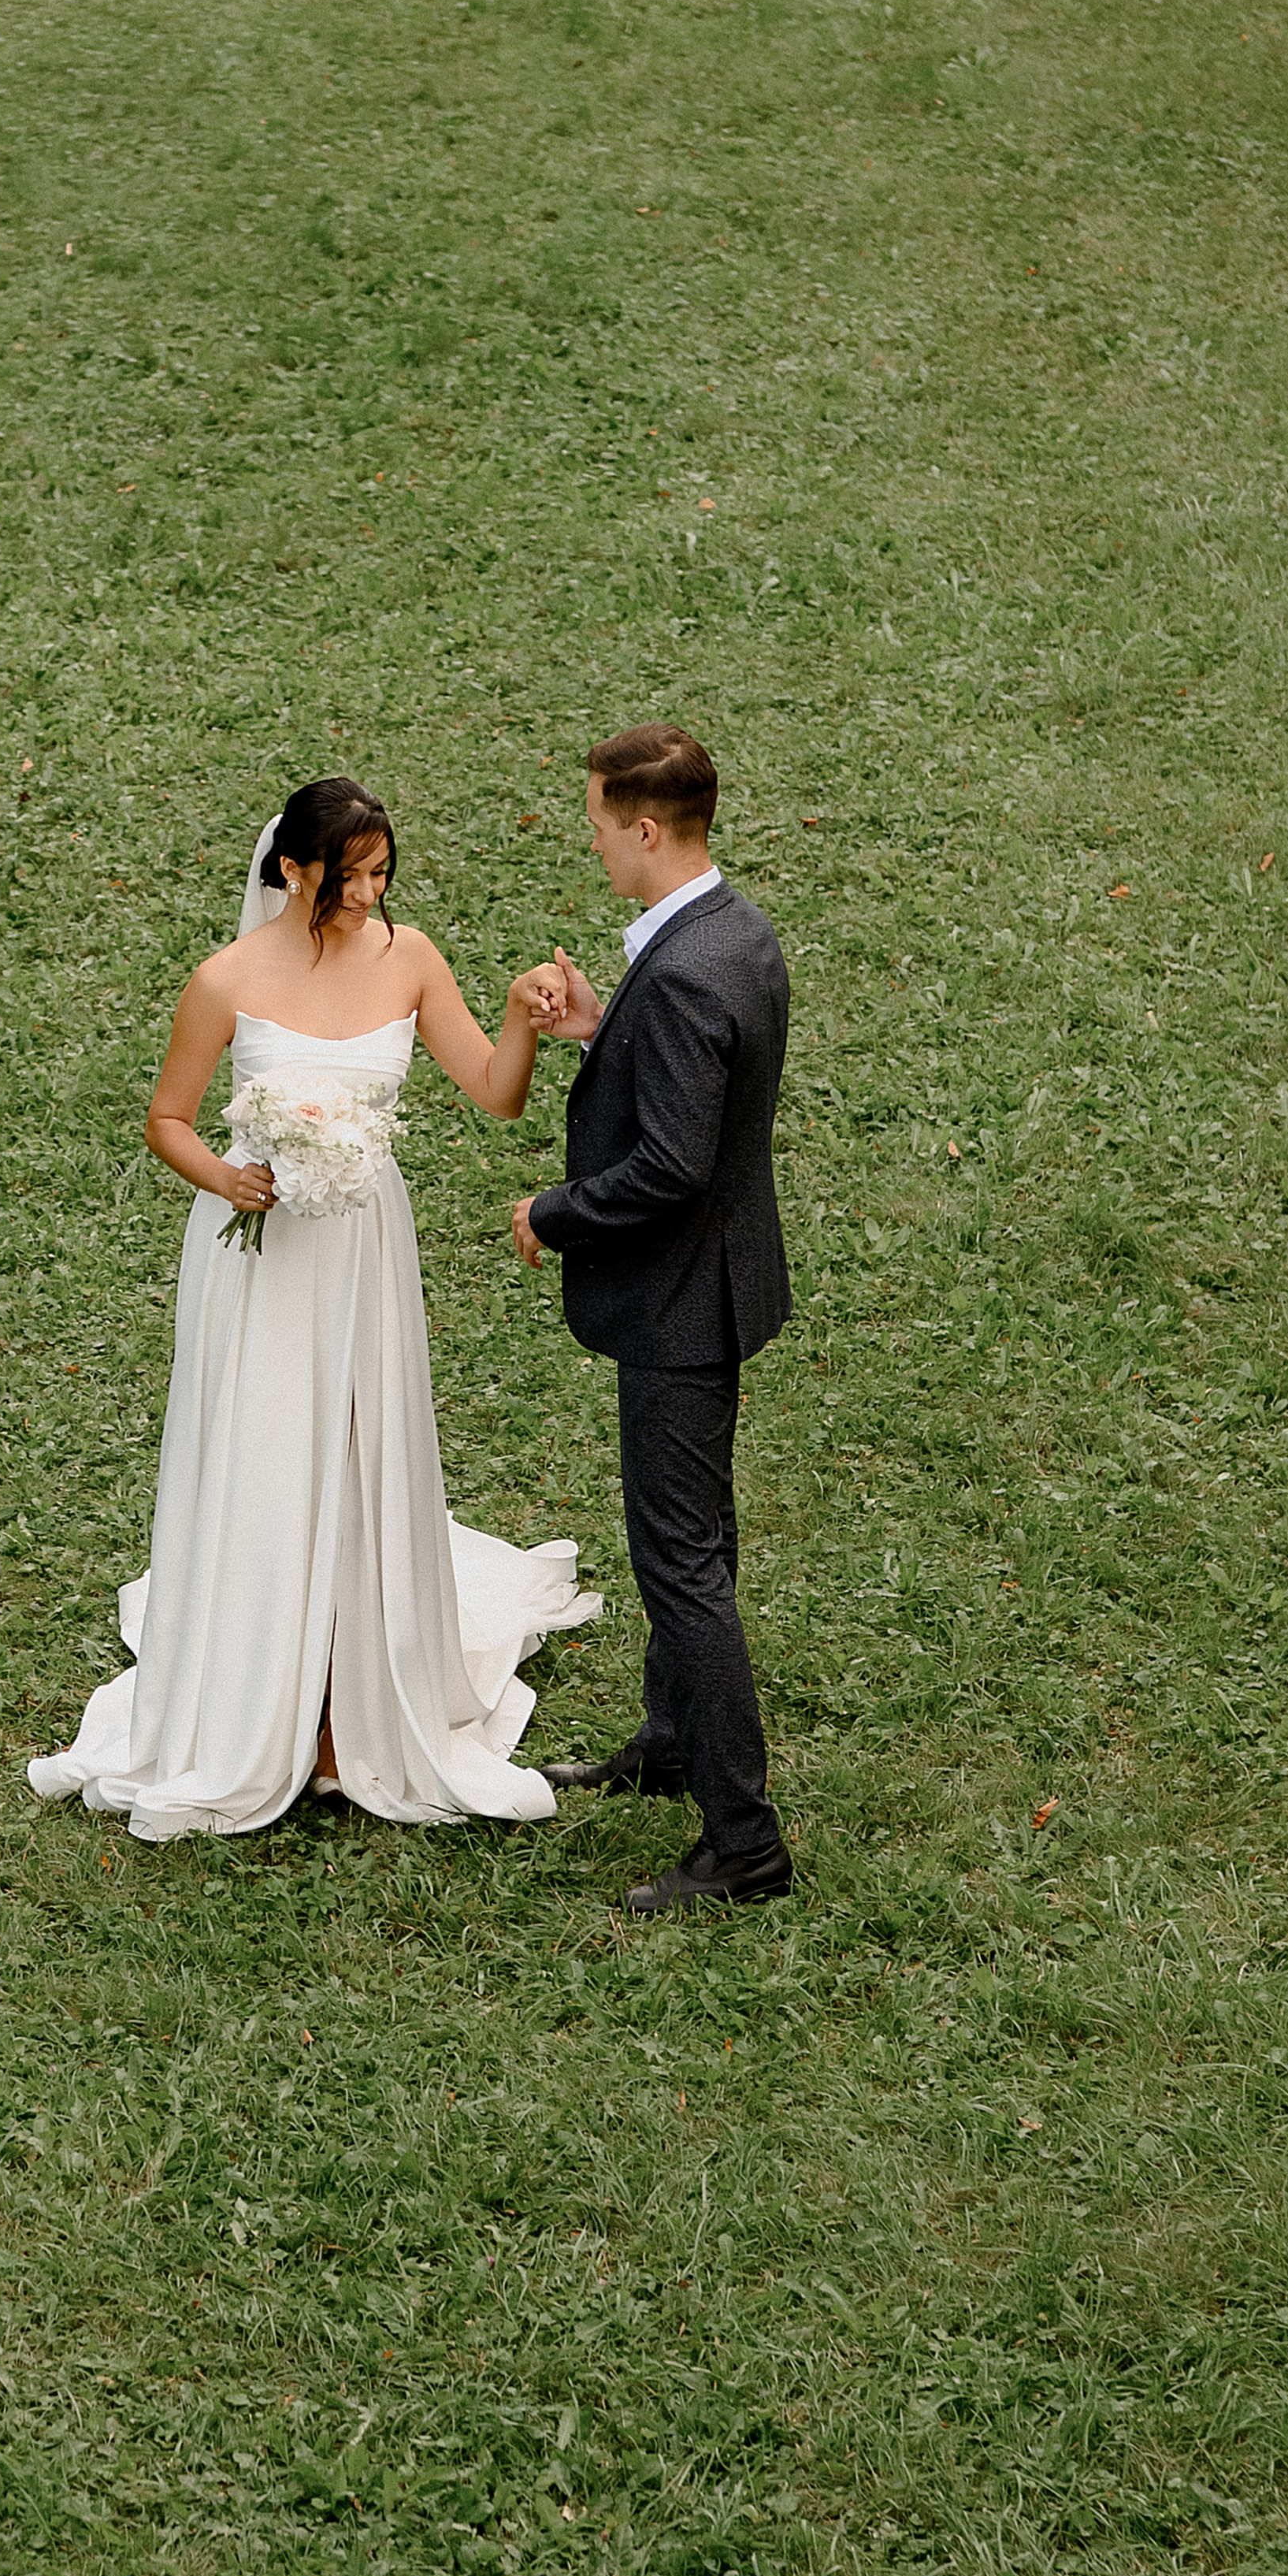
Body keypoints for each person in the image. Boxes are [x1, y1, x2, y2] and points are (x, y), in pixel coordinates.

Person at [28, 777, 599, 1842]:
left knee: (355, 1444)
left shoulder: (411, 958)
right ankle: (259, 1690)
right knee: (266, 1449)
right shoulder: (227, 978)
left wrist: (524, 1021)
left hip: (363, 1246)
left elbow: (495, 1090)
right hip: (257, 1255)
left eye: (382, 874)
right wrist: (228, 1178)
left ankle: (353, 1700)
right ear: (292, 870)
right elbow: (168, 1119)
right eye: (350, 878)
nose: (370, 895)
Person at [510, 724, 795, 1916]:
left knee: (680, 1563)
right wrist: (600, 1033)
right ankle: (673, 1743)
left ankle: (745, 1844)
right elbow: (698, 1088)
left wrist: (553, 1211)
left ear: (643, 827)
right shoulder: (735, 931)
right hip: (721, 1284)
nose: (592, 842)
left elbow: (673, 1165)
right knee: (700, 1540)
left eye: (597, 823)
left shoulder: (679, 971)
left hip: (679, 1301)